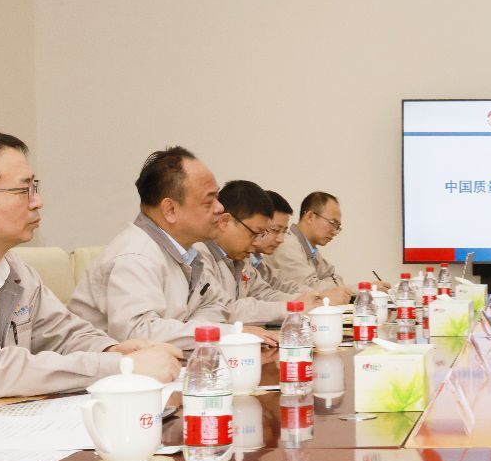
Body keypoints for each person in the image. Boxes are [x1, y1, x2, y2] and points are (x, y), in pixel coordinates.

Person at [0, 128, 180, 408]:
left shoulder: (14, 268)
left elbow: (63, 333)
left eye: (35, 187)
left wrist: (112, 349)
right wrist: (121, 367)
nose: (38, 202)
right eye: (23, 190)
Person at [69, 147, 275, 350]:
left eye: (217, 198)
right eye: (209, 200)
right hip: (115, 369)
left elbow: (217, 304)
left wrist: (194, 329)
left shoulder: (188, 254)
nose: (220, 208)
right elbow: (139, 332)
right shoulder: (135, 256)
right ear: (170, 210)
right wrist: (229, 333)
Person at [197, 181, 329, 324]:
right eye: (254, 233)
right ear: (225, 222)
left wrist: (305, 302)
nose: (256, 243)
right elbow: (224, 309)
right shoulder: (200, 256)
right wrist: (292, 307)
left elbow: (264, 294)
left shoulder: (241, 259)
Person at [252, 189, 350, 305]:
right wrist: (319, 299)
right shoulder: (287, 246)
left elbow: (279, 288)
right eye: (333, 223)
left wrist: (317, 298)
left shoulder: (310, 249)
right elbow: (311, 286)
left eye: (284, 231)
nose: (281, 239)